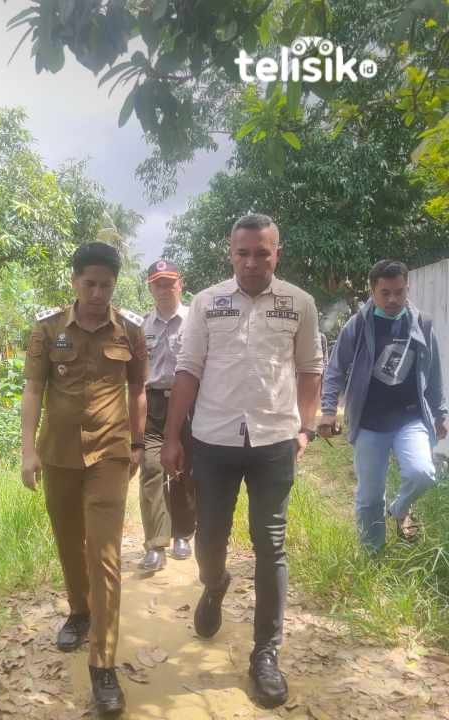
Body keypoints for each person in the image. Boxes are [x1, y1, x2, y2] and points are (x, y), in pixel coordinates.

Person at [162, 213, 323, 709]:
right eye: (243, 253)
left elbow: (309, 369)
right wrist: (173, 436)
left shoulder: (300, 304)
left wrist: (305, 427)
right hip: (213, 440)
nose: (252, 262)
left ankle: (265, 655)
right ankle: (215, 585)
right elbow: (187, 371)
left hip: (274, 440)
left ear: (278, 252)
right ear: (230, 254)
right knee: (209, 537)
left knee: (270, 542)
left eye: (263, 252)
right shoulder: (206, 303)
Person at [21, 241, 147, 716]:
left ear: (115, 285)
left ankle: (103, 663)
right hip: (58, 454)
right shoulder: (47, 329)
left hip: (111, 455)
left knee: (105, 554)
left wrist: (138, 442)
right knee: (69, 541)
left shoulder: (131, 331)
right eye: (89, 283)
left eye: (106, 285)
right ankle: (78, 610)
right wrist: (28, 449)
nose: (97, 293)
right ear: (74, 281)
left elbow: (137, 389)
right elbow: (34, 389)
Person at [319, 260, 448, 551]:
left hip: (409, 418)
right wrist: (328, 410)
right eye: (385, 293)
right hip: (369, 422)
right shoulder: (360, 324)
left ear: (407, 289)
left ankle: (399, 509)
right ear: (372, 291)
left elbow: (434, 372)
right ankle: (372, 555)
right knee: (369, 497)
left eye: (399, 292)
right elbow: (336, 368)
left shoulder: (422, 323)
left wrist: (441, 413)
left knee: (422, 473)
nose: (392, 299)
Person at [137, 259, 198, 572]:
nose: (164, 289)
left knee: (185, 470)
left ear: (180, 284)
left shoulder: (195, 320)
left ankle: (182, 535)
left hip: (189, 404)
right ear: (150, 287)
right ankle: (155, 544)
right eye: (157, 283)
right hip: (152, 405)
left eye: (169, 282)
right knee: (151, 469)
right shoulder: (140, 326)